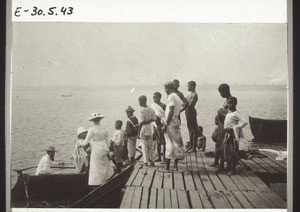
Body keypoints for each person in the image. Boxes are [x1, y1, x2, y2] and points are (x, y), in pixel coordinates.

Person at [78, 113, 114, 188]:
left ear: (93, 121)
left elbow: (86, 142)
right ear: (99, 120)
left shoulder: (92, 129)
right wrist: (107, 148)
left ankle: (97, 182)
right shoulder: (104, 128)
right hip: (103, 146)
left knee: (96, 166)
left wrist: (80, 143)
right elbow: (107, 140)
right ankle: (106, 179)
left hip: (96, 147)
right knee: (104, 163)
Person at [216, 97, 247, 175]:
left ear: (235, 104)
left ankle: (233, 170)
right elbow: (224, 115)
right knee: (222, 150)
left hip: (232, 135)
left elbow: (244, 122)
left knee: (232, 152)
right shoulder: (229, 112)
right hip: (226, 134)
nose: (229, 105)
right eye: (228, 103)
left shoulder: (236, 113)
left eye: (231, 103)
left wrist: (236, 127)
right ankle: (221, 167)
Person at [162, 81, 185, 172]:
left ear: (168, 88)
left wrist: (166, 124)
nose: (165, 91)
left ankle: (167, 167)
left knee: (169, 142)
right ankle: (175, 166)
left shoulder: (171, 96)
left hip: (171, 122)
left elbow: (171, 111)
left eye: (165, 89)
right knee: (177, 143)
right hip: (175, 121)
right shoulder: (177, 96)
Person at [211, 83, 232, 168]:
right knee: (219, 143)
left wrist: (220, 113)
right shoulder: (227, 99)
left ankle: (223, 165)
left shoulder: (230, 100)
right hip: (221, 124)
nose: (220, 95)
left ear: (225, 91)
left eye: (221, 93)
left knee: (223, 144)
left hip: (225, 125)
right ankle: (217, 162)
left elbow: (230, 114)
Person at [138, 95, 157, 167]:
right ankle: (152, 161)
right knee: (151, 146)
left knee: (144, 146)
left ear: (141, 101)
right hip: (150, 129)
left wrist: (138, 132)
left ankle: (145, 161)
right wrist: (148, 121)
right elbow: (154, 118)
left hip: (143, 129)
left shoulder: (141, 110)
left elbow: (141, 122)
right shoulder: (151, 109)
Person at [151, 92, 166, 162]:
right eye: (153, 97)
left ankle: (164, 158)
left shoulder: (163, 106)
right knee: (158, 142)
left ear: (159, 97)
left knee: (164, 141)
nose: (154, 99)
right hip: (155, 126)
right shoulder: (153, 106)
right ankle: (159, 157)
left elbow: (165, 116)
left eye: (155, 97)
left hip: (162, 126)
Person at [185, 81, 199, 153]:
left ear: (193, 86)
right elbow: (184, 103)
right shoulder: (189, 94)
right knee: (189, 129)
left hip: (191, 112)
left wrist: (185, 103)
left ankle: (194, 147)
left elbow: (190, 105)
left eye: (189, 86)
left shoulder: (195, 95)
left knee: (194, 129)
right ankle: (190, 146)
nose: (188, 87)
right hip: (187, 112)